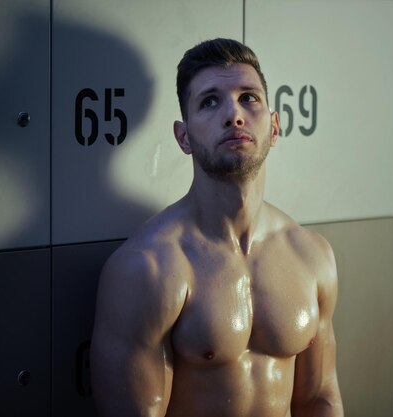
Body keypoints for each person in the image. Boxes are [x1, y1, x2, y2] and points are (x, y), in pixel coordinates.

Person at [90, 38, 343, 417]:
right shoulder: (147, 269)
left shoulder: (311, 255)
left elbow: (319, 398)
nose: (234, 115)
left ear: (274, 127)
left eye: (249, 98)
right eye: (210, 101)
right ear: (183, 136)